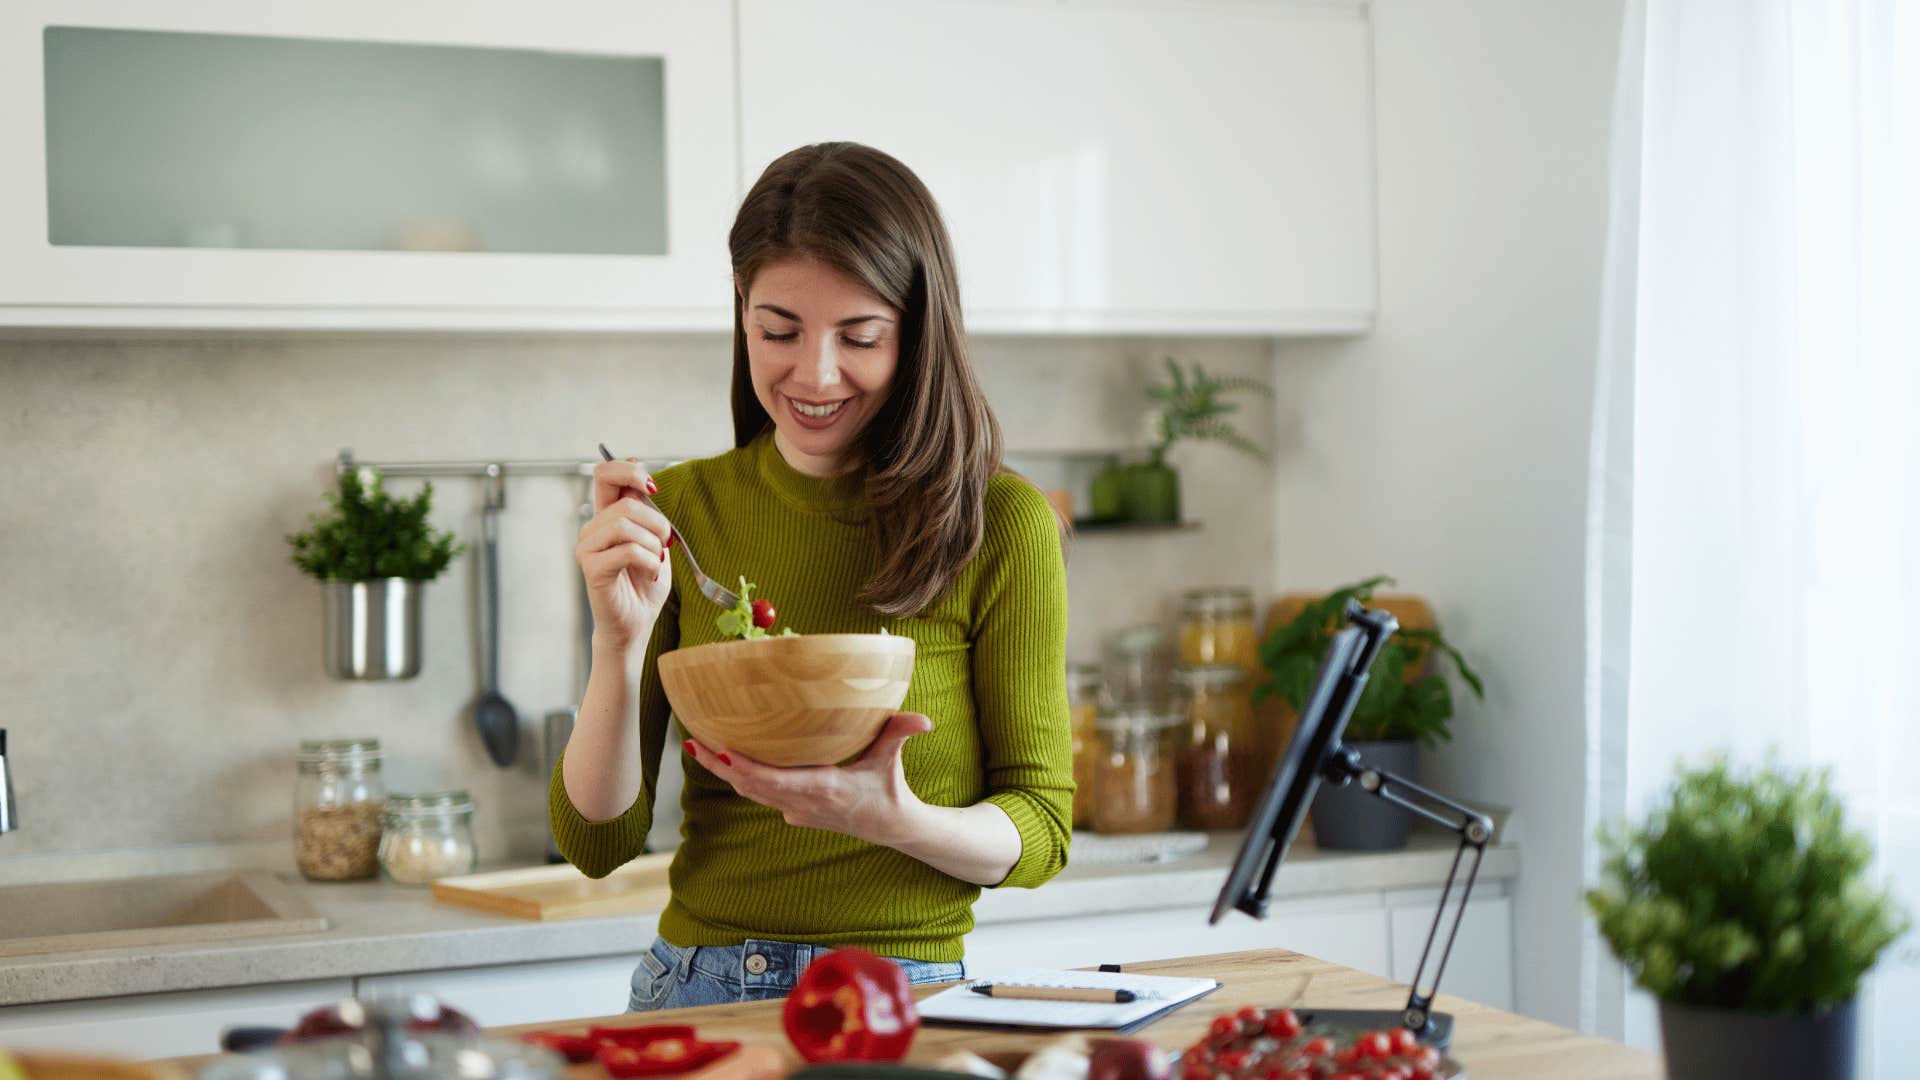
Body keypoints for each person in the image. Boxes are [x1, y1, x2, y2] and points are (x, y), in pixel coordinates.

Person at [553, 142, 1073, 1011]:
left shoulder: (1000, 524)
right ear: (741, 317)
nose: (816, 374)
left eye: (859, 336)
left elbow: (1041, 831)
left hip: (907, 994)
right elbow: (596, 844)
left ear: (916, 329)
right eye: (779, 331)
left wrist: (887, 816)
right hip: (702, 986)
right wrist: (619, 641)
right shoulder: (682, 513)